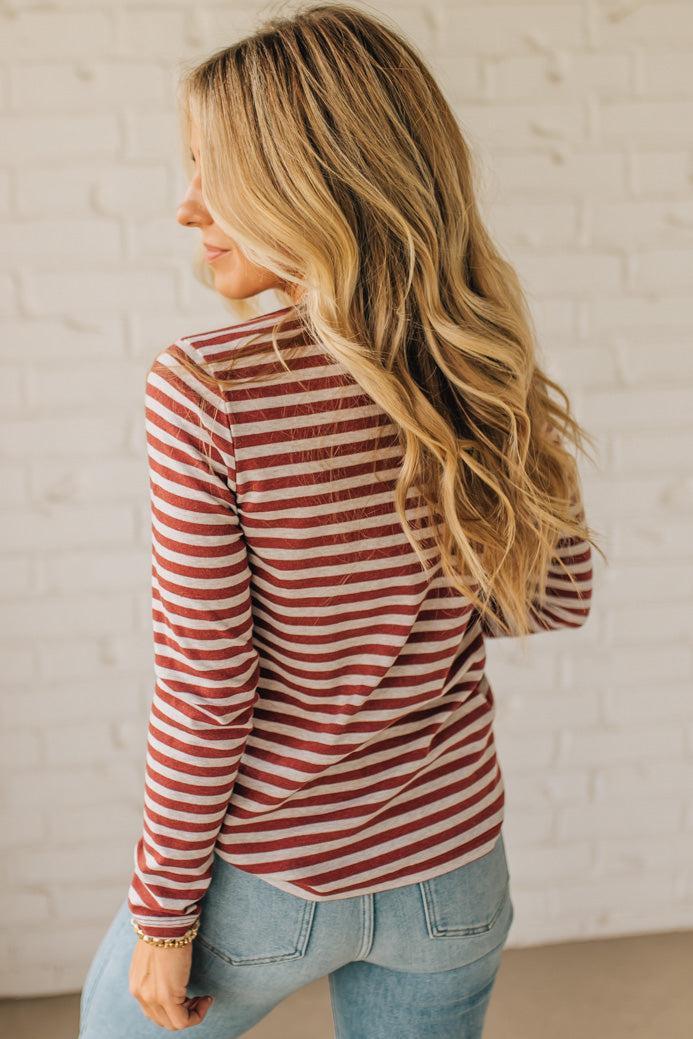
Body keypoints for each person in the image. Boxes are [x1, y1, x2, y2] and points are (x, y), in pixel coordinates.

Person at [78, 3, 601, 1037]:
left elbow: (209, 686)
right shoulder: (477, 367)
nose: (187, 207)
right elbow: (555, 598)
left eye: (211, 169)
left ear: (310, 181)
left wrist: (161, 911)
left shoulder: (205, 387)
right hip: (452, 873)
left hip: (268, 880)